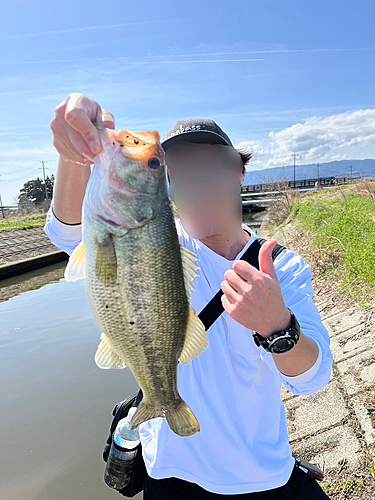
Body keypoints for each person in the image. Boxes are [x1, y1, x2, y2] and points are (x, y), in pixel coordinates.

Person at [44, 93, 333, 499]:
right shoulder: (157, 240)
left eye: (209, 168)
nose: (195, 184)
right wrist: (76, 153)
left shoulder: (280, 267)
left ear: (238, 173)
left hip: (261, 478)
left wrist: (278, 327)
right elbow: (65, 232)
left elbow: (313, 380)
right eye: (179, 171)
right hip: (169, 475)